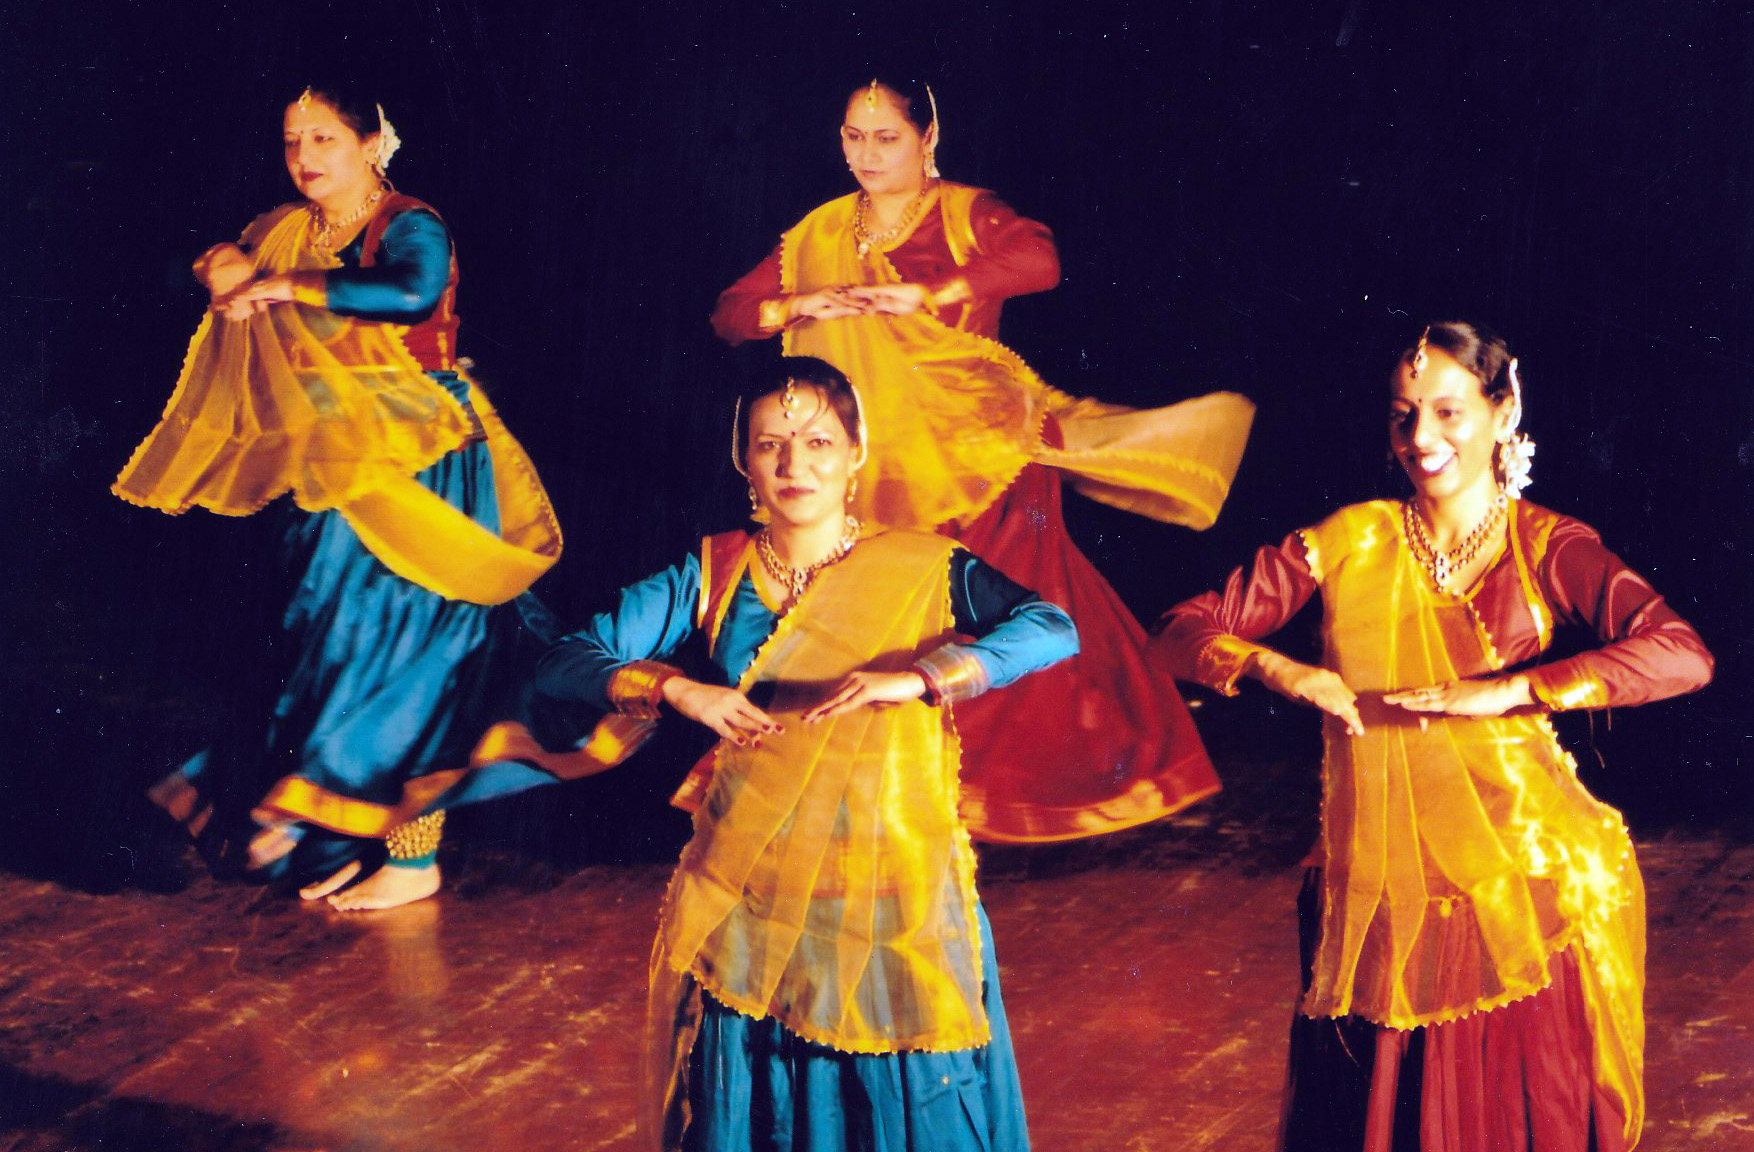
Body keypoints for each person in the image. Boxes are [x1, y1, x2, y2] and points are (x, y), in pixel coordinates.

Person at [1152, 322, 1713, 1150]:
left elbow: (1682, 655)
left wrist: (1512, 691)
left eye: (1448, 413)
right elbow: (1178, 631)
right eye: (1403, 414)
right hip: (1379, 889)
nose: (1420, 438)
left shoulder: (1544, 544)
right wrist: (1279, 669)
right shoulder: (1349, 539)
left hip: (1517, 892)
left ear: (1503, 411)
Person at [536, 357, 1077, 1151]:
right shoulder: (715, 573)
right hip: (753, 896)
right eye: (771, 445)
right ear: (743, 461)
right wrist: (674, 689)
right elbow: (566, 659)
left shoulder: (921, 565)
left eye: (819, 442)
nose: (796, 465)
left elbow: (1052, 628)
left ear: (857, 453)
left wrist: (920, 677)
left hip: (890, 895)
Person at [712, 78, 1255, 843]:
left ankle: (1056, 782)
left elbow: (1039, 260)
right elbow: (731, 313)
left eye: (886, 138)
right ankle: (886, 791)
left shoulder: (964, 212)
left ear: (928, 137)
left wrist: (930, 294)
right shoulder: (819, 231)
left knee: (1014, 612)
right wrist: (798, 305)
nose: (867, 154)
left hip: (985, 460)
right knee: (885, 619)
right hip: (881, 469)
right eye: (853, 138)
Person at [114, 84, 563, 911]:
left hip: (424, 458)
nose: (304, 157)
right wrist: (220, 263)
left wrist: (286, 285)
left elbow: (410, 293)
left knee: (407, 650)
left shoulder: (408, 223)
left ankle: (411, 859)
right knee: (325, 638)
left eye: (323, 138)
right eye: (292, 141)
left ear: (371, 143)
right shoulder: (284, 228)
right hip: (336, 460)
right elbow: (222, 258)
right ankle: (341, 835)